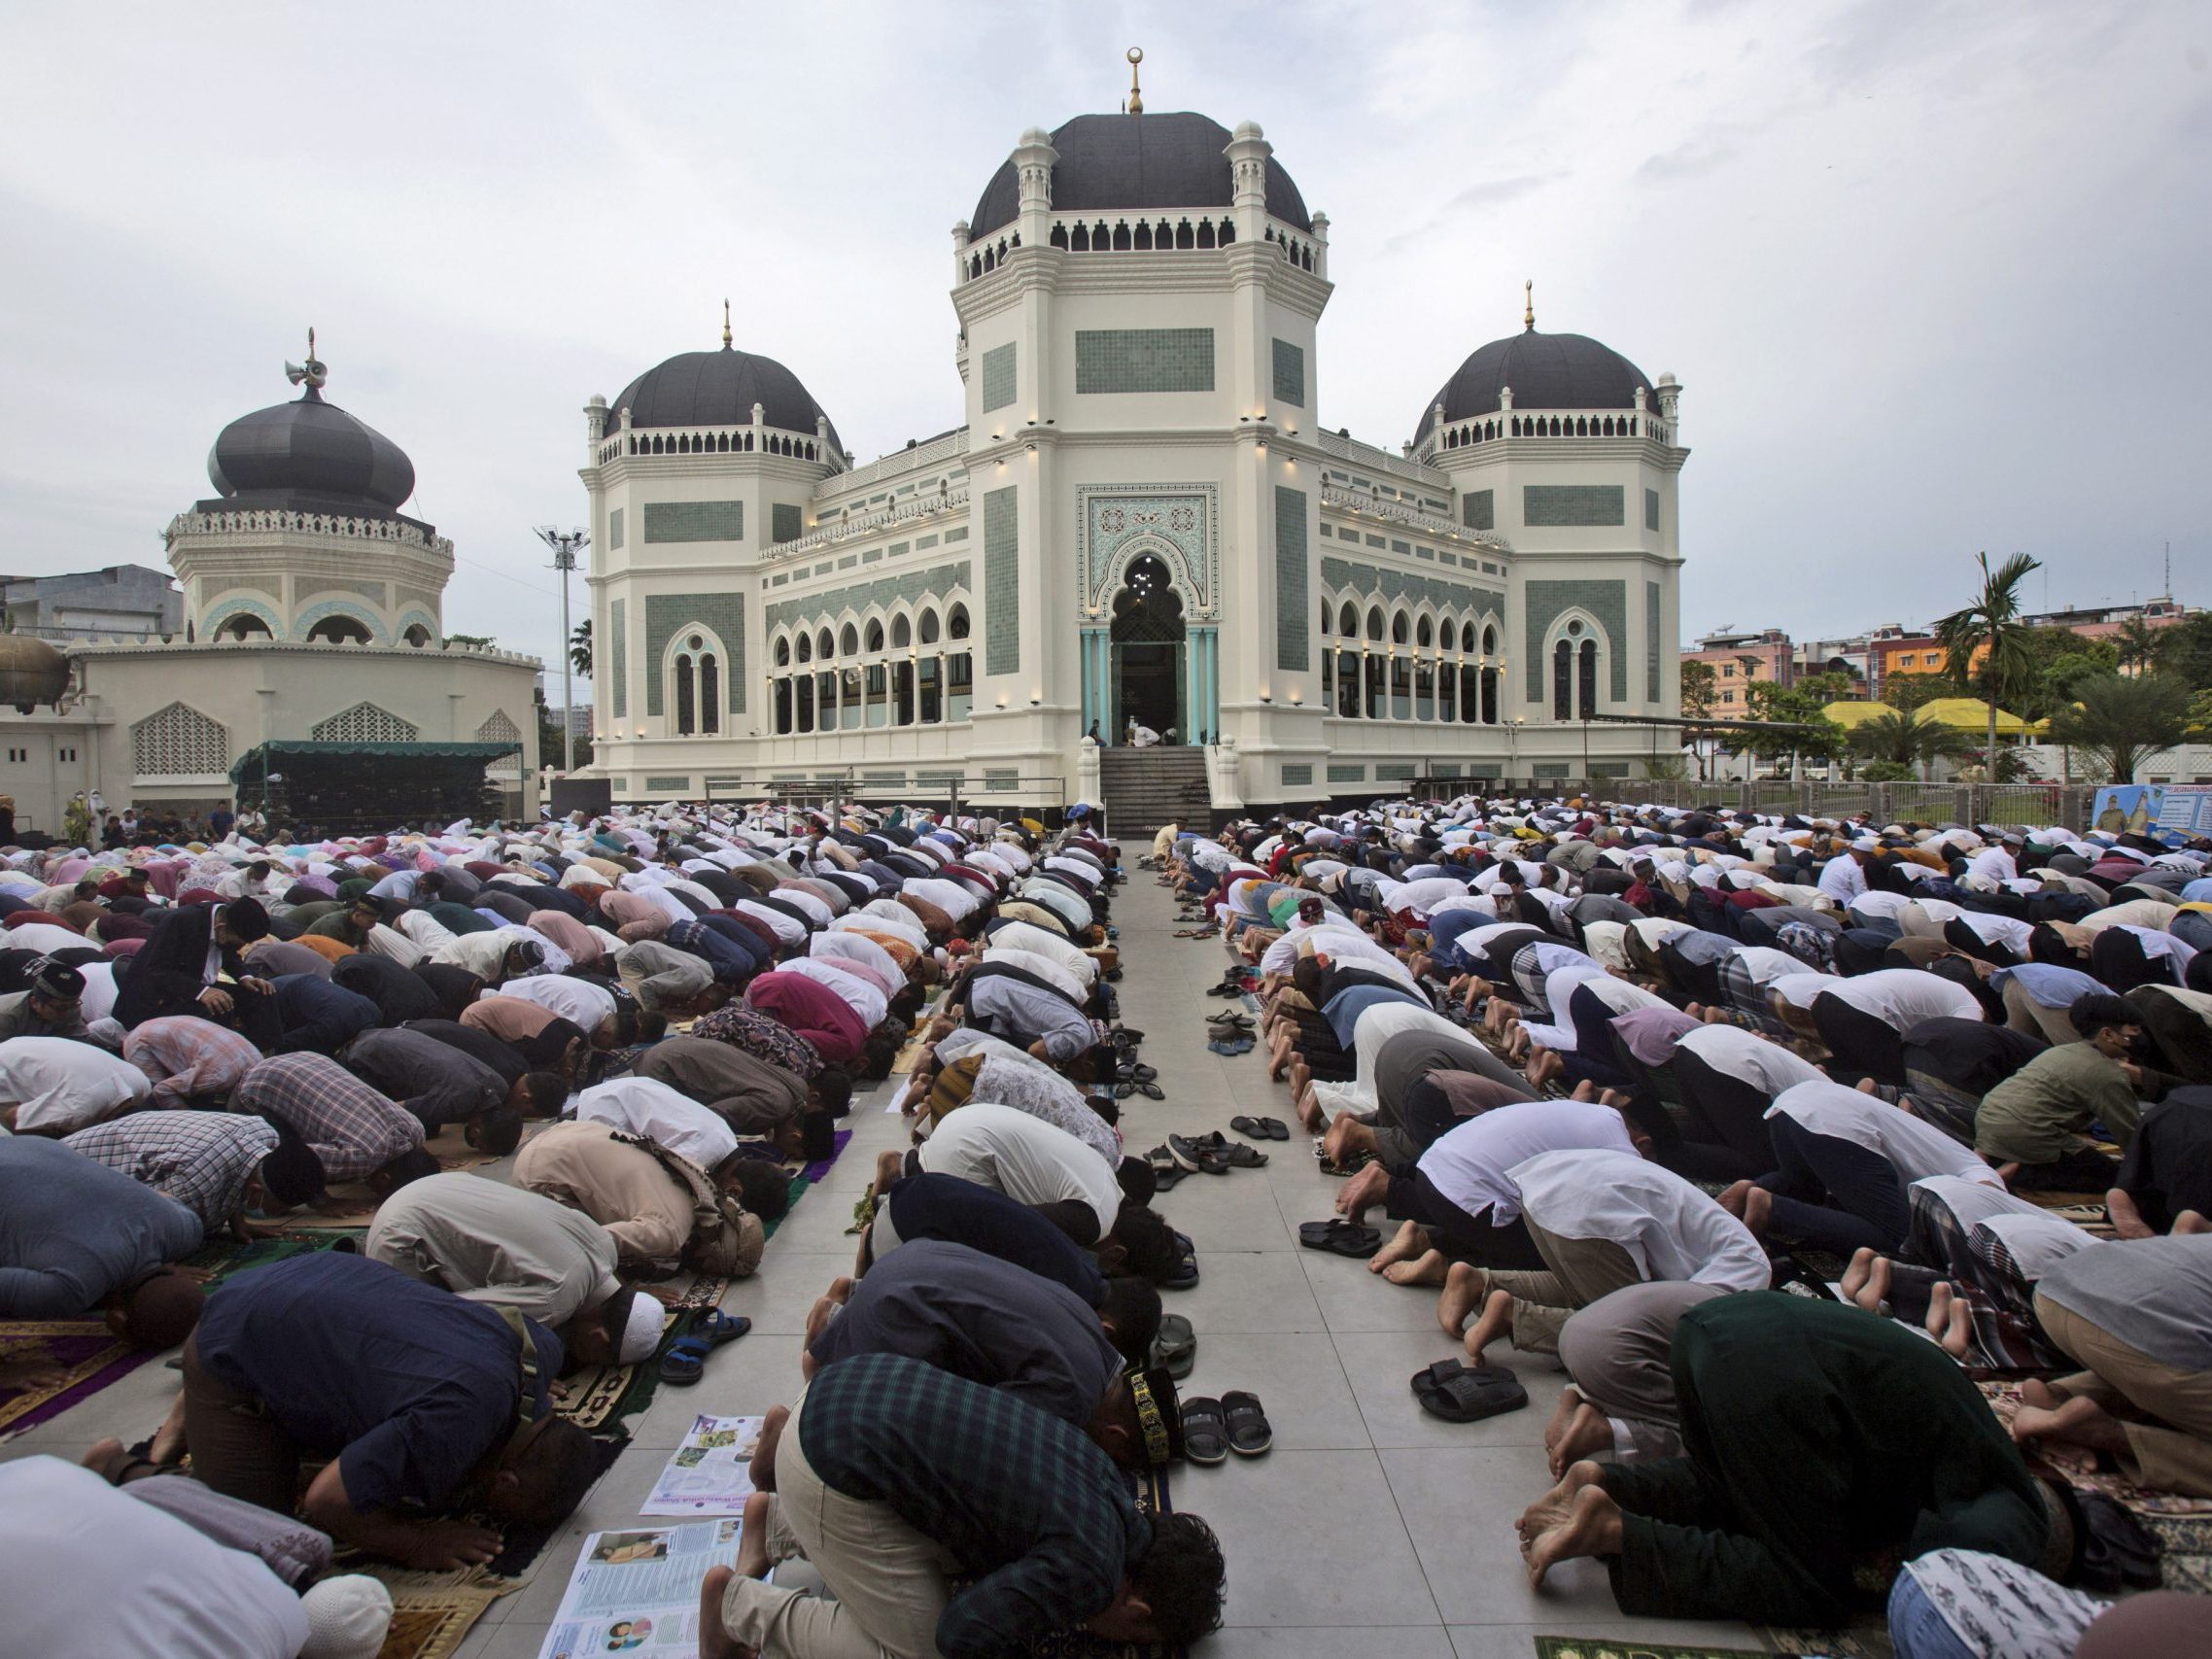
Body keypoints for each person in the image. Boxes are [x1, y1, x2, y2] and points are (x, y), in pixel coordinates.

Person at [1517, 1294, 2057, 1626]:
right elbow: (1943, 1573)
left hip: (1714, 1327)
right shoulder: (2000, 1513)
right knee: (1810, 1587)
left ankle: (1612, 1484)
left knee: (1726, 1482)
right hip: (1773, 1379)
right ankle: (1618, 1531)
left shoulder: (1971, 1434)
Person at [701, 1352, 1223, 1658]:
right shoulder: (1093, 1572)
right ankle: (736, 1610)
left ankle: (775, 1525)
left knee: (962, 1530)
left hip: (842, 1388)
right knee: (920, 1650)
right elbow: (959, 1635)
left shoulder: (1109, 1482)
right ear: (1138, 1611)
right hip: (827, 1460)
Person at [150, 1252, 602, 1569]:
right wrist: (416, 1542)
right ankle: (183, 1413)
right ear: (506, 1481)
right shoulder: (454, 1423)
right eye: (503, 1509)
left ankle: (213, 1402)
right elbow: (327, 1501)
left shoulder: (541, 1352)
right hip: (238, 1331)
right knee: (261, 1543)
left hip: (318, 1276)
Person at [805, 1239, 1165, 1461]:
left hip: (912, 1258)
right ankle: (815, 1383)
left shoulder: (1094, 1330)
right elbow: (978, 1422)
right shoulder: (1074, 1398)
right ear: (1115, 1435)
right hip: (894, 1311)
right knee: (917, 1438)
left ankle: (837, 1319)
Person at [1444, 1147, 1770, 1360]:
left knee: (1580, 1289)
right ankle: (1515, 1318)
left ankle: (1482, 1284)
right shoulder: (1751, 1275)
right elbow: (1687, 1325)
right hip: (1590, 1210)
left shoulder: (1724, 1237)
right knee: (1627, 1329)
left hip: (1543, 1184)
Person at [0, 1456, 311, 1659]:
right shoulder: (41, 1468)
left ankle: (119, 1466)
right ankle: (119, 1465)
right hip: (277, 1615)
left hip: (277, 1620)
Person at [365, 1173, 664, 1369]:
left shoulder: (604, 1245)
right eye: (595, 1359)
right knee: (421, 1333)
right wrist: (522, 1376)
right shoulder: (553, 1300)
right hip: (400, 1233)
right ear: (599, 1338)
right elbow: (453, 1315)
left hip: (439, 1185)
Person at [2013, 1233, 2212, 1497]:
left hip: (2058, 1294)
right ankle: (2107, 1433)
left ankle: (2063, 1396)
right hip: (2142, 1327)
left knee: (2157, 1368)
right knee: (2168, 1361)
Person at [511, 1118, 779, 1278]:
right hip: (540, 1168)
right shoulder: (668, 1233)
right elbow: (590, 1242)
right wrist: (625, 1293)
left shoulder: (703, 1186)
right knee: (564, 1253)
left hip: (571, 1130)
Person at [0, 1136, 206, 1344]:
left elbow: (162, 1195)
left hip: (28, 1145)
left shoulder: (186, 1231)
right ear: (117, 1320)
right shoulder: (68, 1291)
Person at [1971, 992, 2158, 1191]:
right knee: (2115, 1179)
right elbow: (2130, 1135)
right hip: (2028, 1133)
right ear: (2108, 1034)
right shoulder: (2106, 1074)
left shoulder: (2062, 1051)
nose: (2139, 1037)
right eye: (2134, 1031)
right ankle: (2021, 1173)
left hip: (1989, 1121)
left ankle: (2005, 1160)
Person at [231, 1052, 439, 1200]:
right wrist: (322, 1201)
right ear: (384, 1179)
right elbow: (292, 1162)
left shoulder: (415, 1130)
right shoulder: (361, 1158)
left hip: (305, 1060)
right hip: (258, 1086)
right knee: (276, 1184)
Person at [62, 1109, 289, 1235]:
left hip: (137, 1148)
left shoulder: (265, 1137)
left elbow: (241, 1174)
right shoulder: (195, 1178)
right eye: (276, 1208)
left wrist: (238, 1221)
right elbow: (147, 1218)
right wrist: (164, 1269)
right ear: (257, 1192)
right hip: (72, 1170)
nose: (280, 1213)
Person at [0, 1033, 155, 1134]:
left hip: (24, 1049)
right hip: (14, 1058)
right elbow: (14, 1118)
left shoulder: (142, 1084)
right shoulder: (78, 1109)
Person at [0, 955, 89, 1040]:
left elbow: (79, 1039)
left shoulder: (71, 1008)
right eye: (60, 1008)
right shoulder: (6, 1016)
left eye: (73, 1005)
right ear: (35, 1002)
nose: (66, 1014)